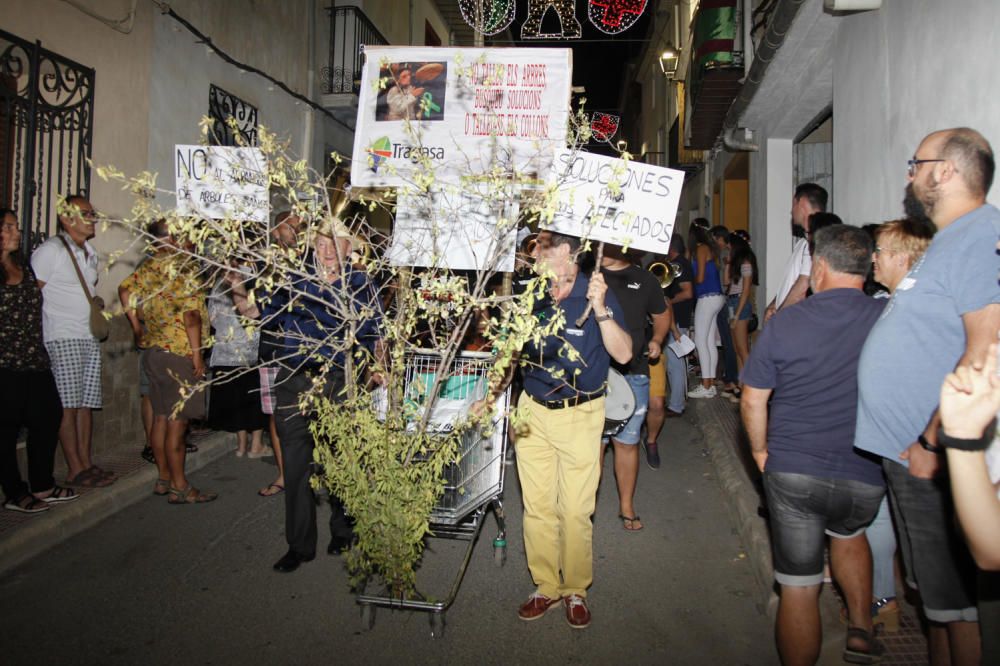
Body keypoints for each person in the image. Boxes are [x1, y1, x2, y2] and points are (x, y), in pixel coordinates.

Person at [855, 127, 1000, 666]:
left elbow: (985, 352)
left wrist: (932, 442)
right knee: (934, 602)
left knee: (954, 606)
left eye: (917, 163)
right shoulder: (948, 241)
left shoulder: (981, 234)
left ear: (946, 171)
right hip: (909, 453)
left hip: (930, 456)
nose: (910, 173)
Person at [741, 225, 887, 665]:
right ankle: (861, 629)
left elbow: (752, 400)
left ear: (819, 268)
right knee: (851, 535)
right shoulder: (886, 318)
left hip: (794, 469)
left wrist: (760, 453)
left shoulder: (787, 323)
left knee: (799, 586)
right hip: (863, 467)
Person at [499, 230, 630, 629]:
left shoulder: (596, 294)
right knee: (537, 508)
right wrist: (492, 396)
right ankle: (546, 587)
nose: (534, 252)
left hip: (580, 412)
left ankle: (575, 588)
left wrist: (602, 309)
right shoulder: (532, 295)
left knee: (574, 509)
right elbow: (510, 352)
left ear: (567, 254)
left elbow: (623, 353)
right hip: (532, 411)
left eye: (542, 246)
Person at [267, 217, 383, 573]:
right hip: (293, 379)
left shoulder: (362, 284)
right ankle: (299, 546)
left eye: (335, 243)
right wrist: (237, 286)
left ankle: (343, 530)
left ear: (349, 249)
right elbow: (263, 317)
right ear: (312, 248)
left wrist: (380, 367)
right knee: (296, 465)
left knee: (339, 461)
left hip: (338, 381)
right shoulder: (295, 280)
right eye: (320, 244)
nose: (328, 250)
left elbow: (377, 332)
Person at [119, 220, 216, 504]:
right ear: (171, 239)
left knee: (161, 418)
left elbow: (124, 292)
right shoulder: (182, 269)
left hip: (154, 354)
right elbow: (191, 317)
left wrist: (137, 327)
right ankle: (181, 486)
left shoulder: (147, 269)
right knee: (178, 424)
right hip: (179, 354)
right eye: (182, 235)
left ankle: (164, 478)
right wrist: (197, 355)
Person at [30, 194, 113, 488]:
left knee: (85, 403)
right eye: (86, 213)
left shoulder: (90, 252)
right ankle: (75, 468)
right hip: (62, 335)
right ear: (67, 219)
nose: (92, 218)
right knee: (67, 405)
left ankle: (87, 462)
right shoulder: (50, 251)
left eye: (93, 213)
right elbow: (33, 295)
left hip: (87, 335)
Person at [1, 208, 78, 513]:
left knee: (47, 417)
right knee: (5, 431)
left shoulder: (23, 267)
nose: (16, 232)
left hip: (35, 358)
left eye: (16, 227)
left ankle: (42, 484)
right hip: (5, 364)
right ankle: (14, 491)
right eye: (8, 227)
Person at [599, 245, 669, 529]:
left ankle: (626, 506)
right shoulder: (588, 276)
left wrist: (657, 339)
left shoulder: (646, 280)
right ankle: (583, 507)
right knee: (594, 445)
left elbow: (662, 316)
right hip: (595, 373)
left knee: (626, 443)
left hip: (634, 373)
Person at [206, 263, 269, 458]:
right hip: (251, 350)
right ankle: (256, 445)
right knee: (253, 399)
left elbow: (212, 319)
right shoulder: (254, 279)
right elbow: (259, 315)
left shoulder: (219, 282)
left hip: (225, 351)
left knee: (237, 401)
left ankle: (241, 446)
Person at [764, 183, 828, 322]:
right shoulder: (802, 243)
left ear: (801, 202)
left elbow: (803, 286)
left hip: (794, 320)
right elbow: (791, 281)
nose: (791, 211)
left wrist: (778, 320)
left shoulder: (817, 241)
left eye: (793, 204)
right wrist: (774, 304)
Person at [687, 224, 725, 398]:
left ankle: (706, 384)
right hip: (716, 296)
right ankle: (710, 385)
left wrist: (689, 281)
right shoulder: (711, 249)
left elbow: (700, 277)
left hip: (707, 297)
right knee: (709, 341)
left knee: (701, 341)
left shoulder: (701, 249)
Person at [710, 225, 739, 396]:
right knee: (727, 341)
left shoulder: (729, 255)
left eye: (715, 239)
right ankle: (729, 376)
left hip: (729, 301)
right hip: (726, 300)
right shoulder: (725, 254)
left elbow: (728, 281)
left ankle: (732, 378)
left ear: (720, 238)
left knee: (730, 342)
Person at [726, 233, 758, 376]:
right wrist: (728, 263)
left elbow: (745, 291)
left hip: (740, 303)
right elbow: (726, 282)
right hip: (732, 301)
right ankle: (741, 385)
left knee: (743, 349)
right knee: (737, 349)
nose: (728, 248)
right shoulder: (737, 264)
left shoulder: (746, 263)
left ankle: (751, 385)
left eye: (730, 245)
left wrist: (737, 315)